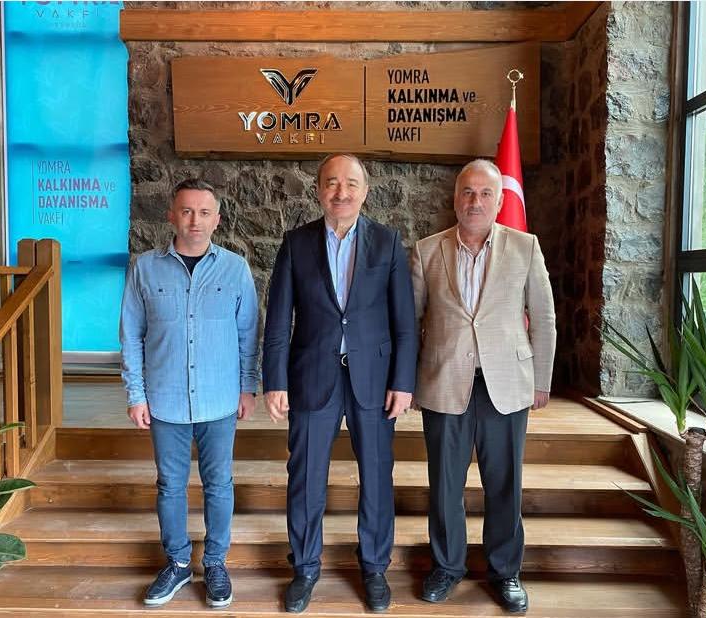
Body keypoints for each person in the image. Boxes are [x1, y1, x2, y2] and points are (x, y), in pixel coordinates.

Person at [262, 154, 417, 613]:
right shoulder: (296, 243)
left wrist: (403, 382)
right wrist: (274, 380)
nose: (341, 192)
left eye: (351, 183)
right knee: (305, 476)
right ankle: (305, 566)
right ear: (318, 190)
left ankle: (374, 567)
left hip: (375, 380)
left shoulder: (388, 242)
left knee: (377, 476)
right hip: (312, 376)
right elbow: (278, 320)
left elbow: (405, 323)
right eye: (332, 183)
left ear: (365, 191)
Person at [410, 159, 556, 614]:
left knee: (504, 483)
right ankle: (446, 566)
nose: (475, 201)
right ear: (456, 199)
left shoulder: (525, 247)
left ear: (500, 200)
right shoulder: (426, 251)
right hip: (443, 382)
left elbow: (544, 318)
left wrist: (542, 380)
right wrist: (408, 382)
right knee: (445, 484)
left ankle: (505, 570)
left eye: (485, 193)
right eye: (468, 192)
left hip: (507, 385)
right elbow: (409, 323)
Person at [119, 178, 258, 608]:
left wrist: (248, 387)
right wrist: (136, 394)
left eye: (204, 212)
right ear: (171, 216)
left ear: (217, 219)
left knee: (219, 483)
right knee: (170, 486)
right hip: (166, 400)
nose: (194, 220)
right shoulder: (144, 268)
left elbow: (248, 334)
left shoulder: (235, 269)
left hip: (220, 400)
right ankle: (178, 563)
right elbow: (131, 335)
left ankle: (215, 562)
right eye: (186, 211)